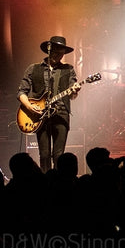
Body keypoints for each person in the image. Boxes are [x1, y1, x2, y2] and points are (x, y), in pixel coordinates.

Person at [17, 35, 82, 173]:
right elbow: (21, 92)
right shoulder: (33, 68)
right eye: (55, 52)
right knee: (44, 155)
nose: (58, 55)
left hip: (61, 114)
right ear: (49, 49)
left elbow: (72, 95)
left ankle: (58, 181)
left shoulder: (68, 69)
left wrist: (75, 90)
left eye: (61, 53)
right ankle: (45, 181)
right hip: (40, 116)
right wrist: (29, 106)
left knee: (59, 155)